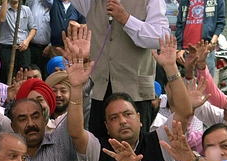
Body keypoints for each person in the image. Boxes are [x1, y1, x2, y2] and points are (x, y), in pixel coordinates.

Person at [70, 0, 171, 137]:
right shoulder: (91, 2)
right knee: (100, 151)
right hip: (100, 93)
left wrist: (127, 20)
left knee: (136, 150)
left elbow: (162, 37)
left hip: (136, 93)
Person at [174, 0, 226, 77]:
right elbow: (179, 24)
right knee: (187, 86)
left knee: (206, 85)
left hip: (205, 49)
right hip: (186, 51)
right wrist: (178, 49)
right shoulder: (184, 1)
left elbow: (221, 22)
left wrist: (212, 43)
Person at [0, 0, 37, 84]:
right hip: (7, 47)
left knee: (24, 73)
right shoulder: (2, 9)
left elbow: (33, 28)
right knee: (8, 74)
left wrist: (27, 41)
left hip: (23, 47)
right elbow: (1, 19)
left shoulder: (26, 10)